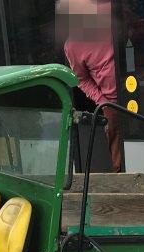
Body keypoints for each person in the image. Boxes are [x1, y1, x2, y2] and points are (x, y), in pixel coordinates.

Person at [60, 0, 123, 172]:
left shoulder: (112, 10)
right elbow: (81, 80)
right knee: (118, 159)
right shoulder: (72, 45)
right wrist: (102, 101)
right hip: (111, 103)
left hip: (141, 89)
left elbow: (143, 31)